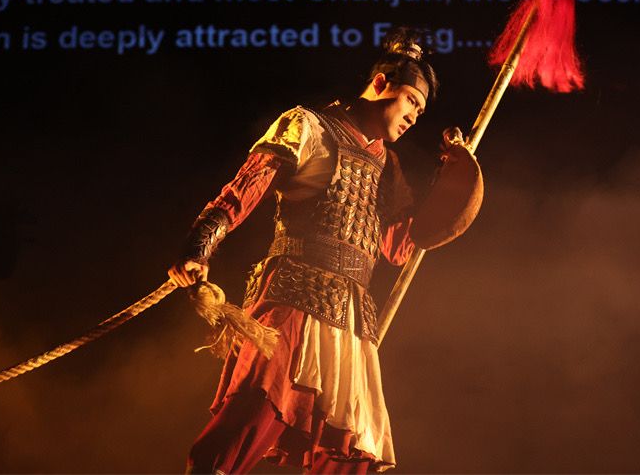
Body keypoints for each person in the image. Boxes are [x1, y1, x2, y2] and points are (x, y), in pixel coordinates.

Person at [168, 29, 452, 474]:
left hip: (352, 321)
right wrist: (201, 243)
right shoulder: (310, 127)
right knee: (248, 418)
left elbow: (399, 247)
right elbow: (249, 184)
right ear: (381, 83)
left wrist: (450, 182)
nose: (414, 117)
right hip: (293, 300)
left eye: (421, 110)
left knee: (347, 455)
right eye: (411, 101)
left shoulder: (389, 168)